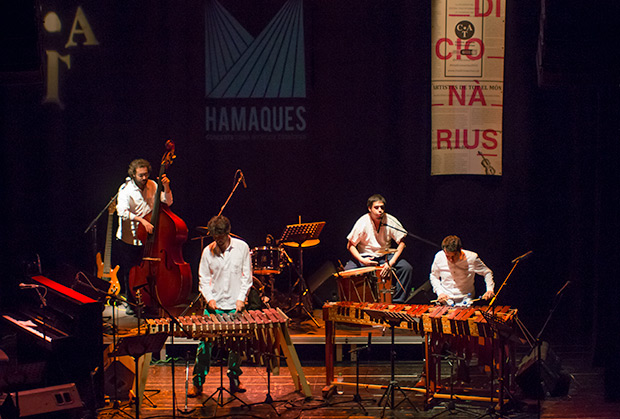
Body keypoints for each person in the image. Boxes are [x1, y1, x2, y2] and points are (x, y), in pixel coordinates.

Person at [188, 215, 253, 397]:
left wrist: (241, 299)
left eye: (221, 238)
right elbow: (204, 279)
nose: (219, 242)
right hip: (214, 307)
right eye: (215, 238)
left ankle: (234, 380)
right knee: (204, 347)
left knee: (236, 347)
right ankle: (198, 383)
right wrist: (209, 299)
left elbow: (246, 277)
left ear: (227, 233)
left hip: (235, 306)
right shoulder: (207, 252)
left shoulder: (242, 248)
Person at [115, 158, 173, 314]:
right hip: (129, 238)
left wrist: (166, 186)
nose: (144, 178)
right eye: (140, 175)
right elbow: (121, 211)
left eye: (146, 174)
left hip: (148, 237)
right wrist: (141, 220)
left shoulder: (153, 185)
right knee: (130, 272)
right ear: (133, 174)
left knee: (149, 271)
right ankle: (131, 303)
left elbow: (168, 202)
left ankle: (149, 301)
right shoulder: (125, 190)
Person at [345, 194, 414, 303]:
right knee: (348, 271)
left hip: (385, 256)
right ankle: (354, 303)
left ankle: (397, 302)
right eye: (376, 208)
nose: (380, 210)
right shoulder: (362, 222)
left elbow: (402, 242)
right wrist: (362, 260)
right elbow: (350, 245)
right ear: (369, 209)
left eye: (382, 207)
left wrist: (391, 262)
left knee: (406, 268)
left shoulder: (390, 220)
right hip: (365, 256)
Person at [429, 235, 495, 305]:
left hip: (466, 300)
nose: (451, 260)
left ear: (460, 250)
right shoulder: (439, 257)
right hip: (446, 299)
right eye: (447, 256)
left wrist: (489, 290)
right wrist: (440, 292)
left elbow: (487, 272)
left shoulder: (472, 258)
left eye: (453, 256)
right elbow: (434, 276)